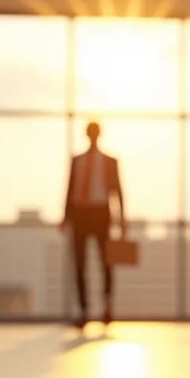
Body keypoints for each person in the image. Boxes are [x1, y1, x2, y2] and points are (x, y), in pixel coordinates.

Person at [62, 121, 126, 326]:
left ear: (99, 134)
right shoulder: (76, 160)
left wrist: (122, 218)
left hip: (101, 213)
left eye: (95, 132)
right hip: (80, 213)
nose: (92, 135)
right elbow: (69, 189)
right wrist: (66, 216)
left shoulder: (110, 161)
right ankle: (84, 310)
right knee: (80, 263)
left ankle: (107, 306)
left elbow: (118, 190)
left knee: (106, 261)